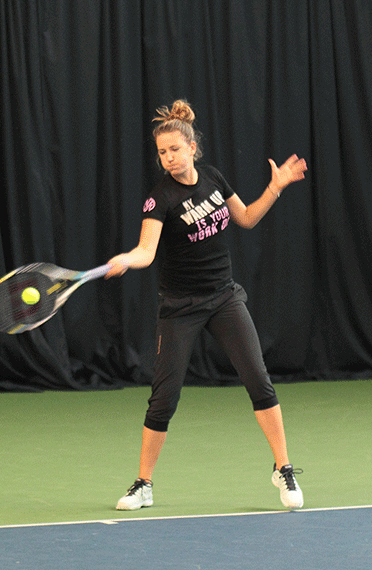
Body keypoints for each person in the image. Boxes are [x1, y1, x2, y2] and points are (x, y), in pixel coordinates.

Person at [105, 99, 308, 511]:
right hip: (180, 306)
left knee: (259, 379)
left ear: (192, 148)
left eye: (174, 149)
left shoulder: (213, 178)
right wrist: (127, 259)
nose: (168, 158)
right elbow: (146, 251)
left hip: (223, 297)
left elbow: (246, 218)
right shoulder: (159, 198)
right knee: (164, 398)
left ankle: (283, 468)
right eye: (162, 152)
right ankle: (144, 483)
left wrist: (275, 187)